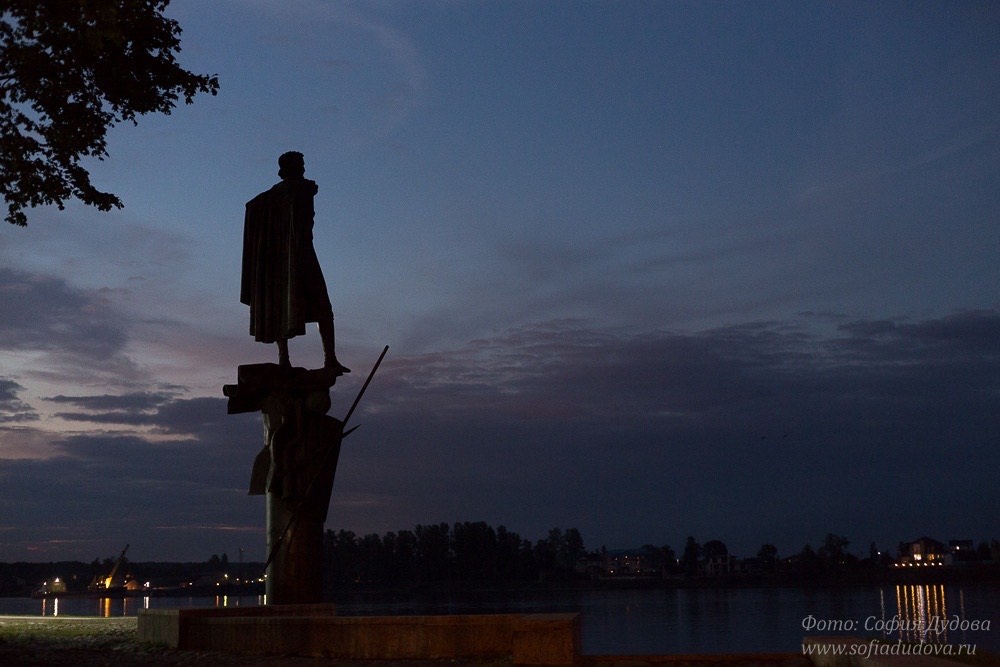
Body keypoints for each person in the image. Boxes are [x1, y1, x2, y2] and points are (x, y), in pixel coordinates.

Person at [240, 151, 350, 374]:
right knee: (310, 305)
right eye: (300, 164)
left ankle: (325, 358)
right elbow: (303, 224)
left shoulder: (270, 197)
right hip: (298, 256)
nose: (303, 168)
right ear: (290, 168)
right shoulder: (298, 190)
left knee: (305, 306)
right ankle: (294, 359)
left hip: (281, 261)